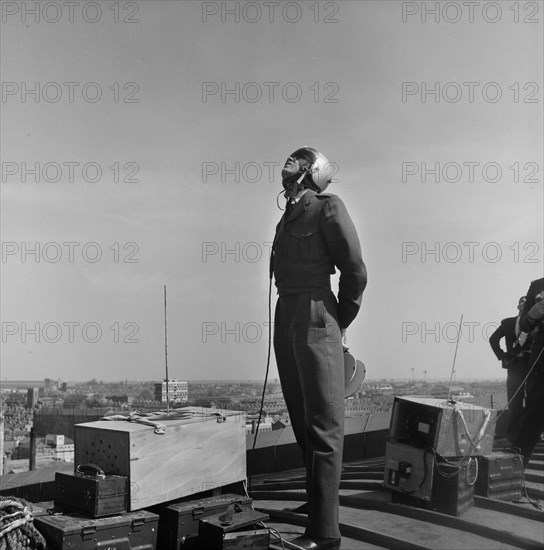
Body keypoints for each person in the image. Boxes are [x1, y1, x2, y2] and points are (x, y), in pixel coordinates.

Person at [270, 146, 367, 550]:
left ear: (312, 170)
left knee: (325, 426)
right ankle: (317, 506)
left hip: (316, 311)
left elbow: (355, 270)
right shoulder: (288, 213)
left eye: (297, 158)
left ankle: (325, 534)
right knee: (301, 418)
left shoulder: (328, 207)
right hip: (287, 312)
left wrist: (336, 321)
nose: (287, 161)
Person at [489, 296, 531, 443]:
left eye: (527, 302)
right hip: (515, 366)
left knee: (534, 399)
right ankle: (512, 435)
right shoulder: (507, 323)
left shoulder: (537, 322)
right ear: (518, 305)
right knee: (514, 401)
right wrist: (502, 356)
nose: (524, 304)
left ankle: (533, 434)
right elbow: (493, 339)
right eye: (522, 301)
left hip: (533, 366)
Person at [513, 277, 544, 468]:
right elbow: (523, 326)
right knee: (532, 419)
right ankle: (515, 479)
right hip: (542, 365)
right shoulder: (538, 285)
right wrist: (532, 315)